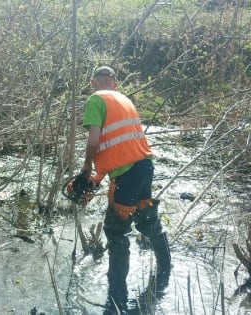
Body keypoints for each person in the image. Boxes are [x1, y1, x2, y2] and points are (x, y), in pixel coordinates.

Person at [80, 66, 172, 314]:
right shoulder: (124, 100)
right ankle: (166, 265)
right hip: (144, 166)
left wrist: (86, 168)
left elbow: (94, 141)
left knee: (115, 230)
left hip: (128, 173)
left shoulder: (95, 99)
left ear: (93, 83)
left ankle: (116, 292)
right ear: (115, 83)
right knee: (147, 221)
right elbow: (120, 148)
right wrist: (99, 177)